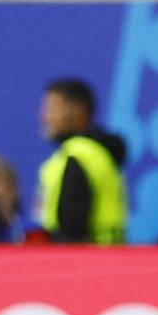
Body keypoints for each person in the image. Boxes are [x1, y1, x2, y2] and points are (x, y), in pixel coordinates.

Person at [36, 77, 126, 244]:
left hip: (87, 262)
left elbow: (72, 227)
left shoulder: (78, 155)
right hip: (110, 257)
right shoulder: (98, 153)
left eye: (53, 108)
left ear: (78, 112)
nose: (44, 116)